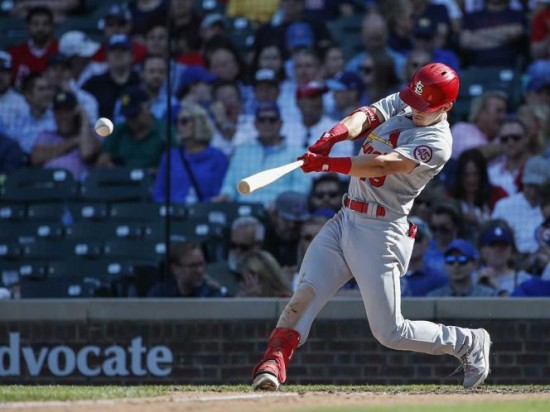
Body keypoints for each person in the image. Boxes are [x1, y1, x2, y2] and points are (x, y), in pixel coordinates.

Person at [251, 63, 491, 392]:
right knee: (304, 293)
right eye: (414, 100)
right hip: (345, 218)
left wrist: (327, 163)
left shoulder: (437, 142)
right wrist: (332, 136)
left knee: (390, 332)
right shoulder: (410, 101)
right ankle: (273, 361)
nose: (415, 109)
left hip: (381, 231)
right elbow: (365, 117)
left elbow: (382, 164)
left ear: (446, 107)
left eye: (424, 107)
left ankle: (467, 342)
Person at [152, 102, 228, 203]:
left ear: (199, 122)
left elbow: (221, 193)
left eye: (184, 121)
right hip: (174, 211)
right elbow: (158, 193)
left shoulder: (218, 157)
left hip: (205, 211)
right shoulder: (170, 157)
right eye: (176, 122)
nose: (179, 126)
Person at [30, 90, 100, 180]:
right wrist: (75, 141)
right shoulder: (45, 136)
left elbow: (87, 153)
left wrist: (85, 118)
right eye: (58, 112)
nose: (63, 117)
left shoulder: (89, 136)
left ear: (76, 112)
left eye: (67, 112)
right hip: (48, 186)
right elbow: (36, 158)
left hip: (78, 186)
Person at [147, 241, 228, 298]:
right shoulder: (160, 294)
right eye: (193, 266)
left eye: (201, 264)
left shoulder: (211, 294)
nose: (199, 271)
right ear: (175, 269)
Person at [475, 220, 532, 296]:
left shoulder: (525, 280)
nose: (499, 250)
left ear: (511, 250)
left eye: (503, 245)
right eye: (493, 245)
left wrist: (497, 288)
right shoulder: (471, 279)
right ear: (482, 250)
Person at [427, 238, 498, 297]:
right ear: (445, 265)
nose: (456, 265)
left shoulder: (488, 296)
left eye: (462, 260)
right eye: (450, 260)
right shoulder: (435, 297)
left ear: (474, 264)